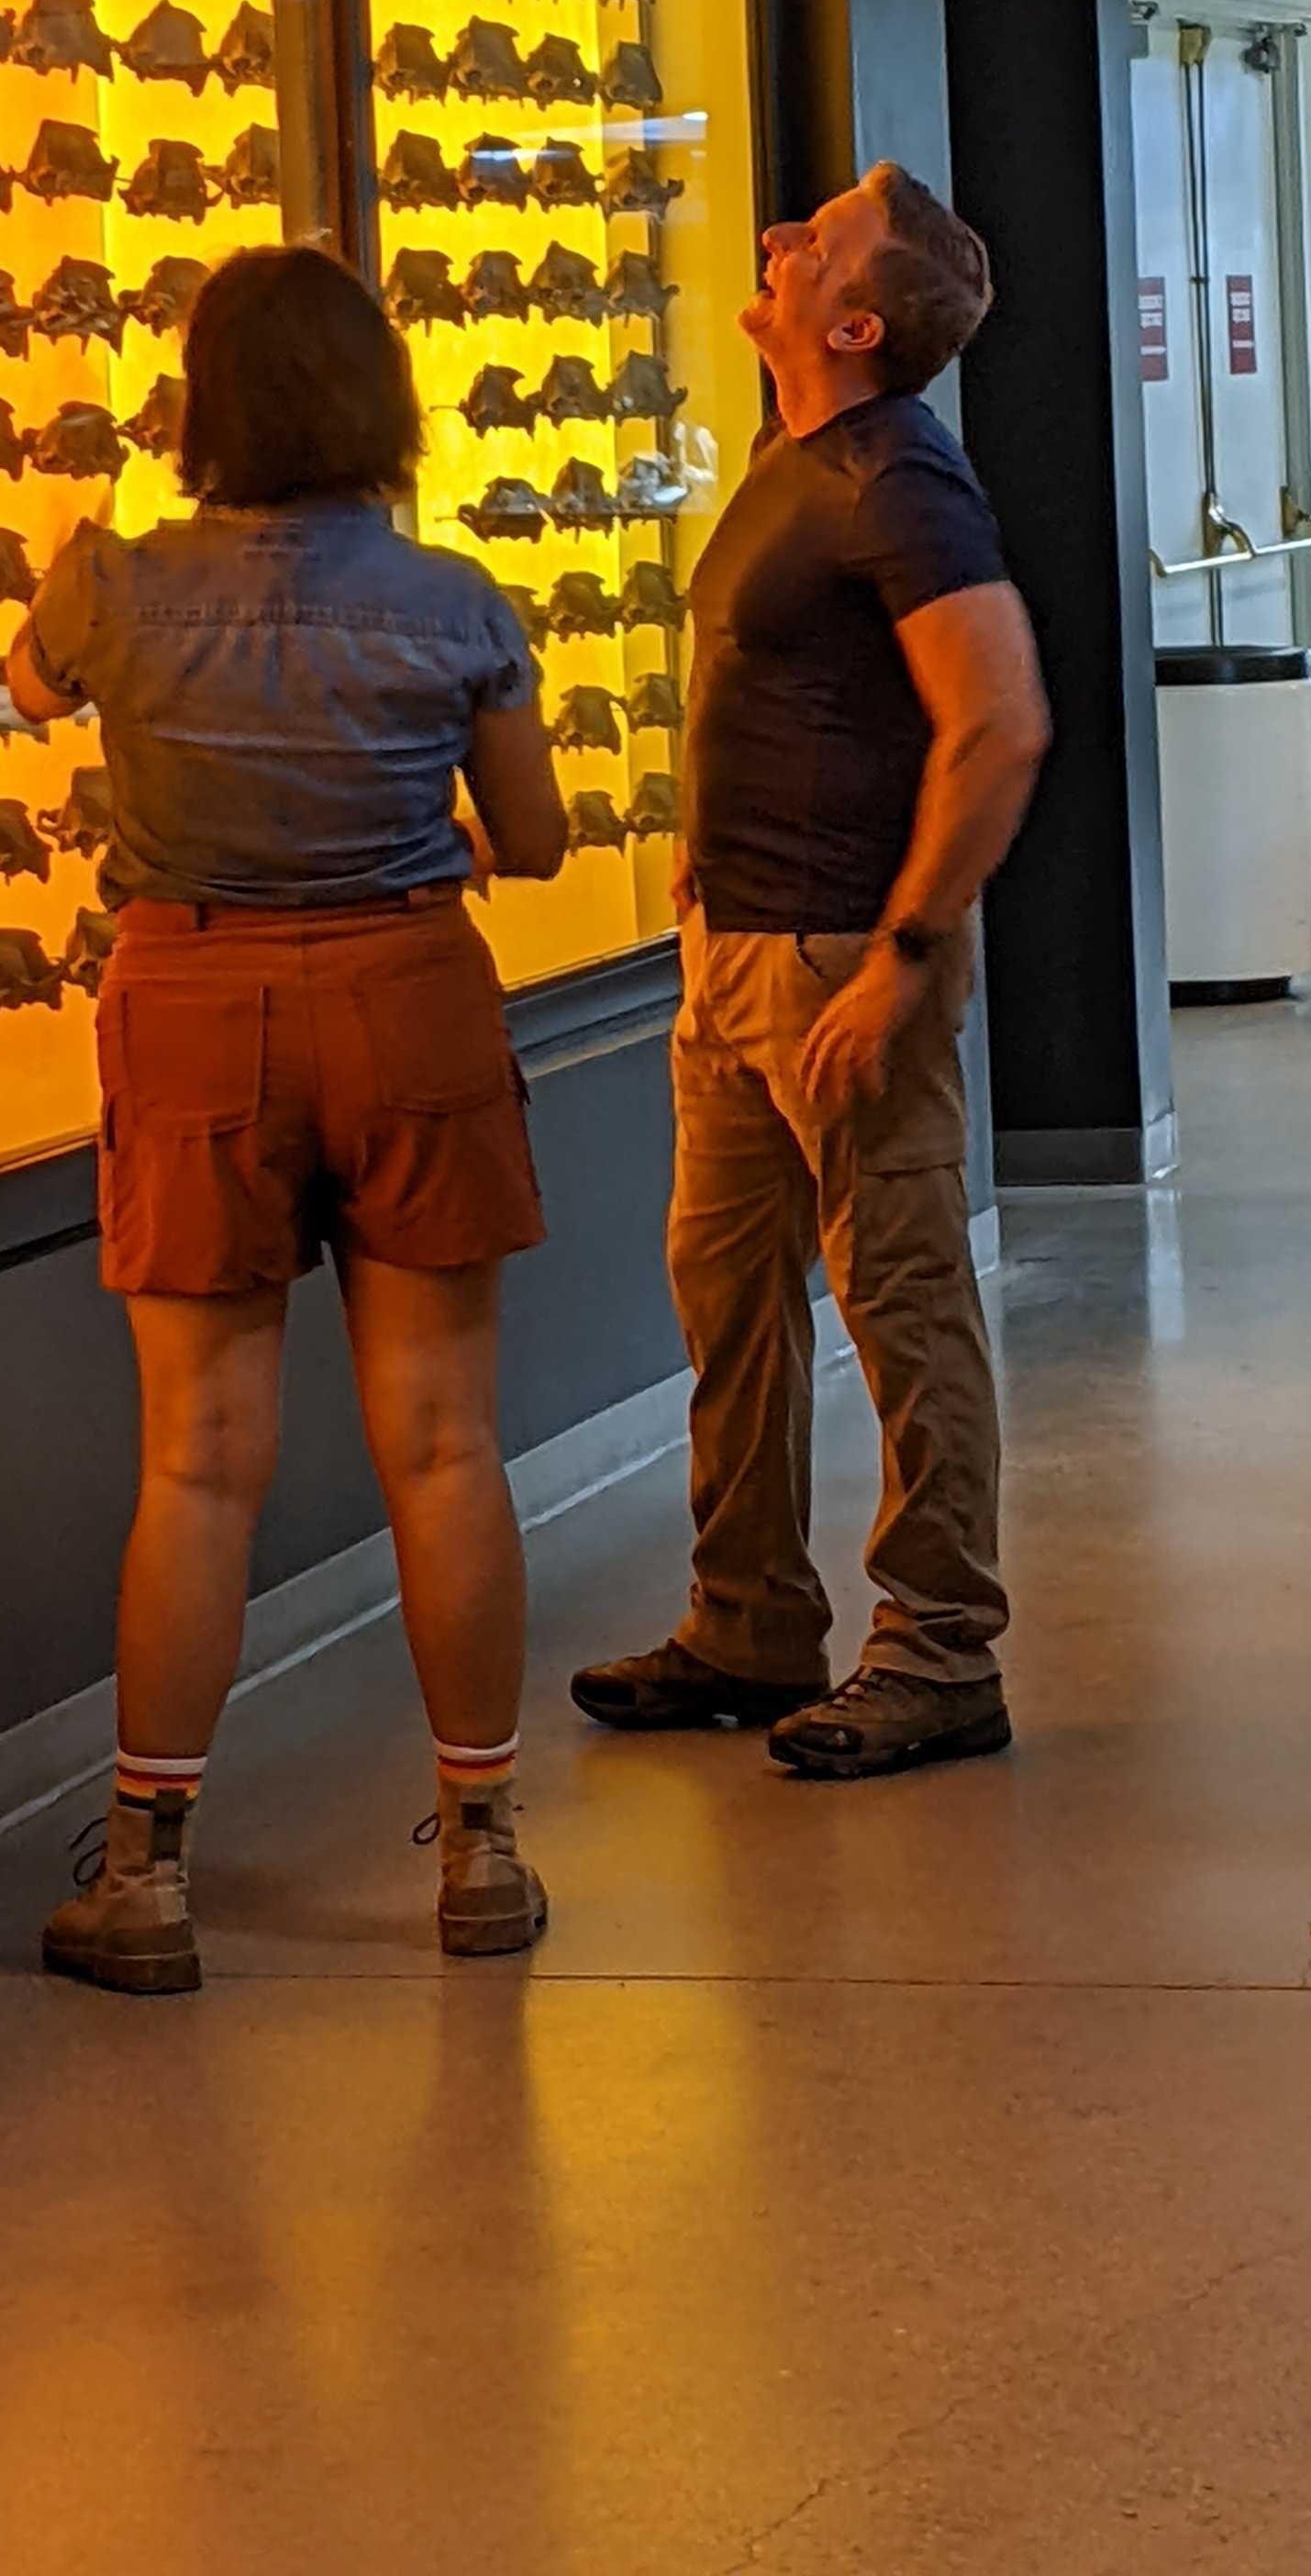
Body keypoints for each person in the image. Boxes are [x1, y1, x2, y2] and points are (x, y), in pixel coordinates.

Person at [7, 242, 569, 1996]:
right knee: (443, 1442)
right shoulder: (459, 604)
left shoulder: (112, 585)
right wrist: (428, 848)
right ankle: (480, 1846)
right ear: (382, 406)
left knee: (195, 1456)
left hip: (190, 1010)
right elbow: (537, 836)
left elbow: (29, 693)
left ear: (205, 409)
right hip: (408, 995)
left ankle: (150, 1874)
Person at [571, 162, 1050, 1779]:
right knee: (732, 1299)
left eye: (817, 239)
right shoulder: (799, 455)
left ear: (853, 321)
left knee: (901, 1302)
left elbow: (1000, 721)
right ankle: (750, 1620)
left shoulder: (903, 480)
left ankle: (936, 1651)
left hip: (847, 964)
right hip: (736, 966)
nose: (776, 235)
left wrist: (906, 954)